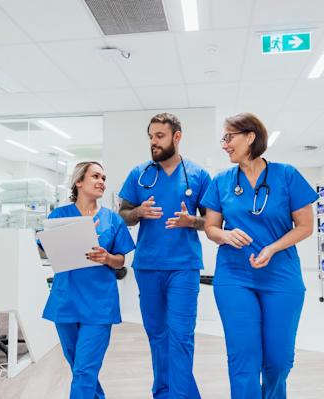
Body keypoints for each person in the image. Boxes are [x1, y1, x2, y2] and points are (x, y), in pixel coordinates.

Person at [201, 112, 318, 399]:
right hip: (234, 276)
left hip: (281, 277)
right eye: (223, 138)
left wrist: (273, 247)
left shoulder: (286, 174)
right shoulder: (221, 181)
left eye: (229, 137)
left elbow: (305, 226)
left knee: (278, 361)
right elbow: (211, 228)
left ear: (250, 136)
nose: (224, 144)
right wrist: (225, 235)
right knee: (243, 357)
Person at [118, 113, 211, 399]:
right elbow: (124, 215)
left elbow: (212, 223)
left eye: (159, 136)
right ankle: (164, 393)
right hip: (147, 266)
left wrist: (190, 221)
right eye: (150, 136)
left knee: (181, 335)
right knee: (158, 335)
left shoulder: (198, 175)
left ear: (177, 137)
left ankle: (180, 395)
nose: (153, 142)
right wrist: (138, 213)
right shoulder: (139, 174)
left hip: (183, 266)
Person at [42, 161, 135, 399]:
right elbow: (45, 251)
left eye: (104, 177)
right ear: (79, 181)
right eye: (95, 176)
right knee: (79, 368)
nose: (102, 181)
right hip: (66, 302)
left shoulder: (113, 220)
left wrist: (106, 258)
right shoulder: (59, 216)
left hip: (98, 304)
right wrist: (70, 237)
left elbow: (121, 261)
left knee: (85, 370)